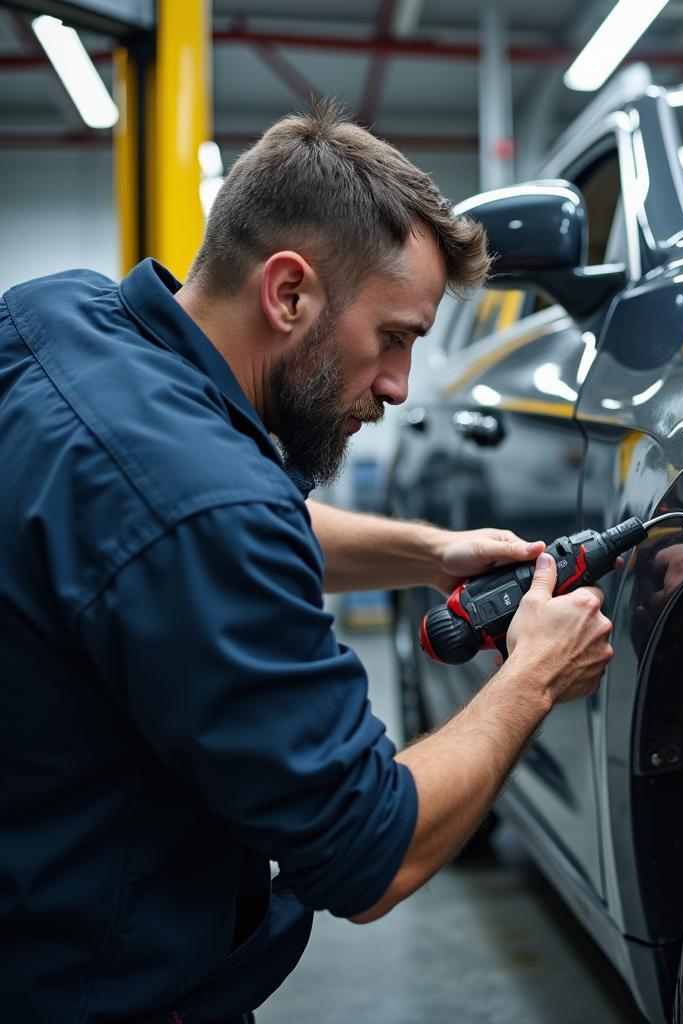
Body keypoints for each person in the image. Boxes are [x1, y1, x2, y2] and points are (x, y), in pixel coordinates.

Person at [0, 102, 613, 1023]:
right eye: (395, 337)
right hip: (91, 984)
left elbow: (183, 527)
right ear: (289, 295)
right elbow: (374, 853)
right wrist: (533, 674)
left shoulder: (56, 316)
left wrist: (426, 550)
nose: (403, 388)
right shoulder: (202, 507)